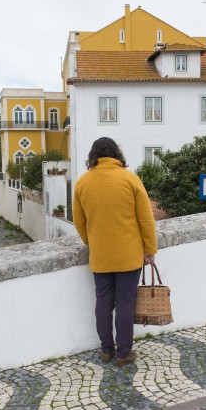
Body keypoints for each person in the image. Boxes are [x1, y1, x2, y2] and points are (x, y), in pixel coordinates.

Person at [72, 137, 158, 368]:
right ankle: (124, 353)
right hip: (129, 255)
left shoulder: (82, 183)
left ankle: (106, 350)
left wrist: (92, 241)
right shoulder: (130, 179)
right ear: (116, 154)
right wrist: (149, 249)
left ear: (94, 156)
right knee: (125, 304)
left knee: (103, 302)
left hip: (100, 255)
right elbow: (146, 220)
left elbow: (79, 222)